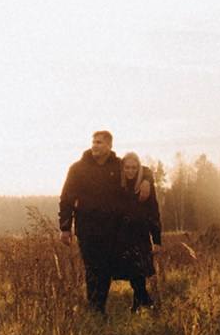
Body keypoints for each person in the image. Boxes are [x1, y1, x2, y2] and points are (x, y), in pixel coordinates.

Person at [59, 130, 127, 315]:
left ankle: (99, 305)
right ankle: (96, 308)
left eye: (99, 142)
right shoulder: (78, 168)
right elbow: (66, 199)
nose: (95, 146)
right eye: (93, 142)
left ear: (109, 145)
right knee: (92, 267)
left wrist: (146, 179)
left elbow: (139, 170)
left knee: (106, 268)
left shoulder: (119, 166)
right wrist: (65, 228)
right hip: (87, 229)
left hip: (113, 230)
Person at [118, 153, 162, 310]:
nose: (130, 171)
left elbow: (154, 212)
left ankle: (137, 306)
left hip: (141, 234)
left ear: (139, 169)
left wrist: (156, 239)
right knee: (131, 271)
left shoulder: (145, 186)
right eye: (127, 167)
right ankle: (146, 302)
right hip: (121, 235)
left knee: (139, 271)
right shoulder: (117, 184)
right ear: (122, 168)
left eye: (134, 168)